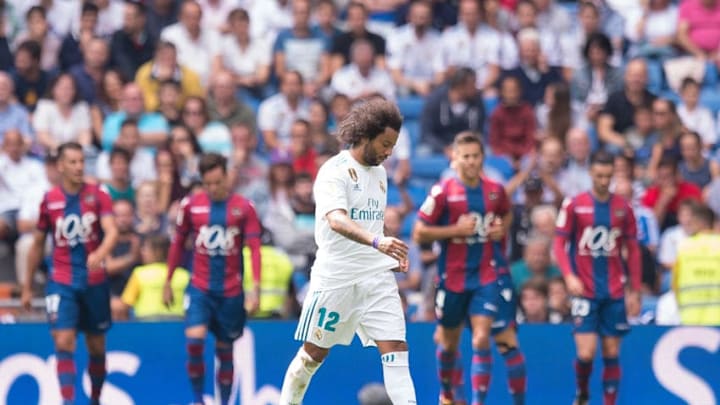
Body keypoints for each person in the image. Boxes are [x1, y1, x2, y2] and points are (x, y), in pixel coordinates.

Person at [278, 99, 417, 405]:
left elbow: (373, 223)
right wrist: (377, 243)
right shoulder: (334, 171)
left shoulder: (380, 175)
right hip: (337, 279)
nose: (389, 152)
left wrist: (389, 249)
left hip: (376, 278)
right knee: (313, 356)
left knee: (396, 350)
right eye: (385, 144)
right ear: (366, 136)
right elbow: (336, 219)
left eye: (393, 145)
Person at [413, 131, 526, 405]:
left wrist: (502, 227)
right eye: (466, 157)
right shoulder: (443, 192)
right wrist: (454, 230)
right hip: (452, 278)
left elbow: (506, 212)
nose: (471, 162)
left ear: (483, 158)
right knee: (448, 343)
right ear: (455, 159)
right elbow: (419, 233)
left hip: (486, 276)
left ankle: (477, 401)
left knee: (481, 338)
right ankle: (448, 395)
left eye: (476, 156)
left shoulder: (494, 191)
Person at [21, 142, 119, 405]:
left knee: (96, 346)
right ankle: (68, 402)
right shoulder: (50, 200)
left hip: (94, 281)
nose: (78, 167)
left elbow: (112, 231)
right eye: (73, 162)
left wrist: (100, 253)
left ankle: (95, 399)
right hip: (61, 280)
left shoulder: (99, 194)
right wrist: (27, 287)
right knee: (63, 340)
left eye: (81, 162)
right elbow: (38, 244)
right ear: (60, 166)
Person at [164, 152, 262, 405]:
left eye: (218, 182)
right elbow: (177, 244)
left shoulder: (244, 207)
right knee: (194, 340)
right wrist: (168, 280)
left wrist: (256, 288)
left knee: (224, 349)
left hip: (230, 291)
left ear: (226, 176)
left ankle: (225, 401)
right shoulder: (190, 206)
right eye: (208, 183)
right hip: (199, 288)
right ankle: (198, 400)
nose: (213, 188)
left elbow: (254, 249)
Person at [553, 150, 642, 405]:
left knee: (612, 351)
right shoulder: (574, 204)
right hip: (584, 289)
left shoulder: (623, 208)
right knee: (586, 353)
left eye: (608, 176)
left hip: (614, 290)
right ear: (591, 173)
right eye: (599, 176)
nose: (604, 181)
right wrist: (569, 276)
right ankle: (582, 393)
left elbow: (633, 250)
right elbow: (559, 244)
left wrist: (634, 290)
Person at [673, 202, 720, 325]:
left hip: (690, 319)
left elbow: (675, 285)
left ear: (700, 223)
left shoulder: (684, 247)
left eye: (692, 222)